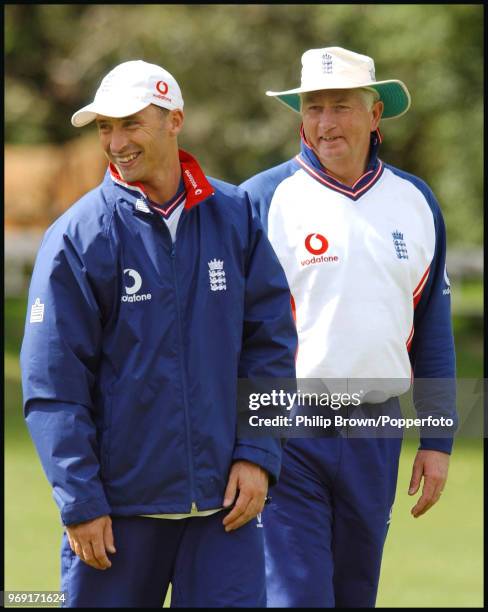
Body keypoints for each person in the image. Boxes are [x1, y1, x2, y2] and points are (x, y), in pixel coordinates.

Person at [20, 60, 297, 608]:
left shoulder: (234, 214)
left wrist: (258, 452)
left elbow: (270, 345)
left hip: (224, 515)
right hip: (117, 519)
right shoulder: (78, 236)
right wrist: (81, 501)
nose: (116, 142)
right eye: (105, 127)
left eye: (131, 124)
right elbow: (53, 384)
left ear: (175, 120)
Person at [241, 47, 457, 607]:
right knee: (296, 594)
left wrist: (438, 439)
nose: (325, 123)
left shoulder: (416, 201)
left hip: (376, 428)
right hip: (286, 424)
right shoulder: (260, 199)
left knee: (355, 593)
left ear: (375, 114)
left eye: (341, 107)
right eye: (314, 108)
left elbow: (432, 326)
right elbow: (228, 329)